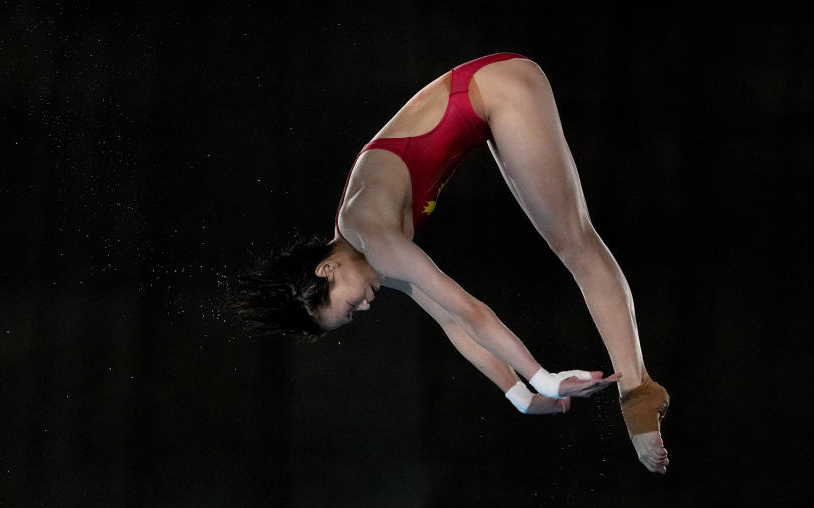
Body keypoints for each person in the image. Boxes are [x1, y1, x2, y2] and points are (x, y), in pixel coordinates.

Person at [228, 53, 670, 473]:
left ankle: (637, 394)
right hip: (487, 104)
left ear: (328, 270)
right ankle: (633, 392)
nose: (363, 309)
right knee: (565, 244)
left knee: (574, 243)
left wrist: (546, 380)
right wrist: (519, 394)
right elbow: (454, 324)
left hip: (498, 88)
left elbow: (469, 309)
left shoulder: (371, 234)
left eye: (347, 308)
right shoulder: (367, 251)